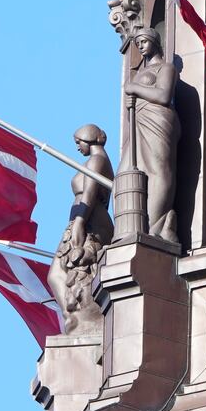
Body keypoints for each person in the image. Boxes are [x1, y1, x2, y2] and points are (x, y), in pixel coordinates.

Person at [47, 124, 113, 332]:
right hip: (85, 218)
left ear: (90, 138)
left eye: (79, 142)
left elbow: (89, 193)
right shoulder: (98, 160)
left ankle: (77, 318)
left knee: (62, 273)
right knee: (61, 273)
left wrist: (80, 222)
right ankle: (72, 317)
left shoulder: (97, 160)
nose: (77, 147)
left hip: (89, 220)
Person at [123, 28, 179, 242]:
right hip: (140, 124)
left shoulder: (166, 68)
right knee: (126, 174)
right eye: (138, 43)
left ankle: (156, 225)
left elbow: (164, 95)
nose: (141, 46)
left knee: (158, 170)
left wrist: (134, 89)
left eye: (144, 41)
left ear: (156, 43)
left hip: (159, 121)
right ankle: (133, 226)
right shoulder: (138, 74)